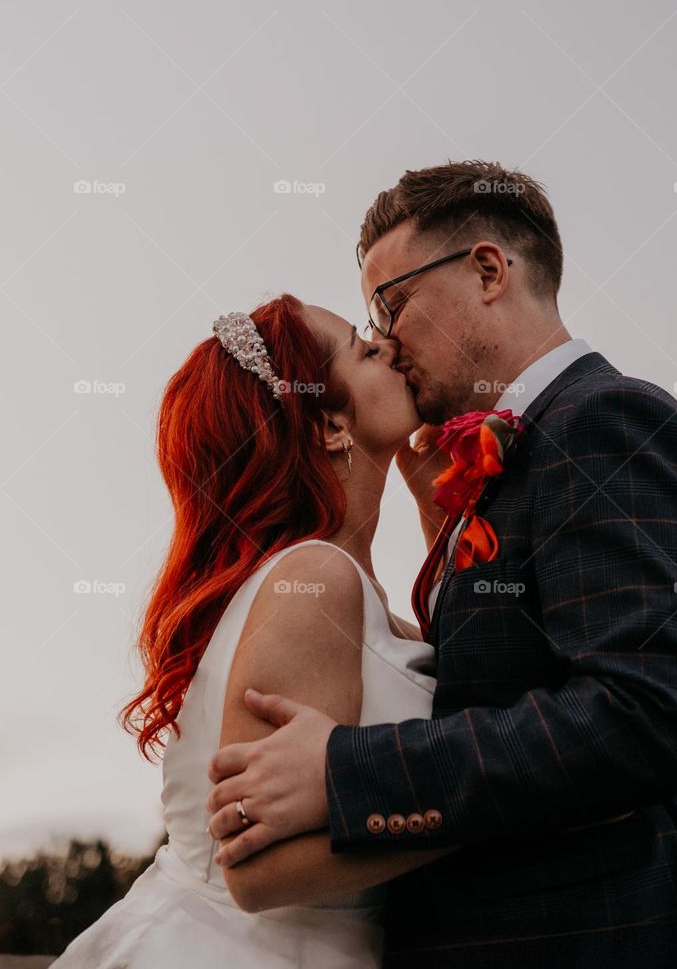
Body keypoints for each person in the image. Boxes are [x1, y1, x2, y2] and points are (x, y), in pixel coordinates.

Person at [207, 160, 677, 968]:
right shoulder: (515, 465)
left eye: (390, 305)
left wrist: (347, 771)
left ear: (488, 270)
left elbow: (649, 717)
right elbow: (519, 689)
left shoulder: (606, 421)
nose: (385, 339)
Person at [53, 294, 457, 968]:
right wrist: (515, 803)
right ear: (329, 425)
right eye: (362, 348)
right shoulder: (312, 580)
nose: (387, 346)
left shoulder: (343, 591)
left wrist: (439, 515)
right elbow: (260, 867)